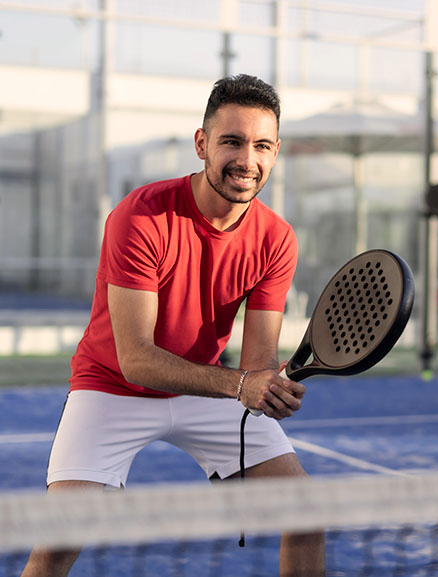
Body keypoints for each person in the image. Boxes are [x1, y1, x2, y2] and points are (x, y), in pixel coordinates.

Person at [20, 74, 324, 577]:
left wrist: (268, 386)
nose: (247, 159)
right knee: (57, 542)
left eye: (262, 145)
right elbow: (135, 359)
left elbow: (256, 364)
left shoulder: (277, 239)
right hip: (111, 386)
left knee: (309, 515)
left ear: (275, 153)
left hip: (204, 387)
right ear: (202, 144)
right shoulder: (141, 216)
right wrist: (244, 384)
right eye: (232, 141)